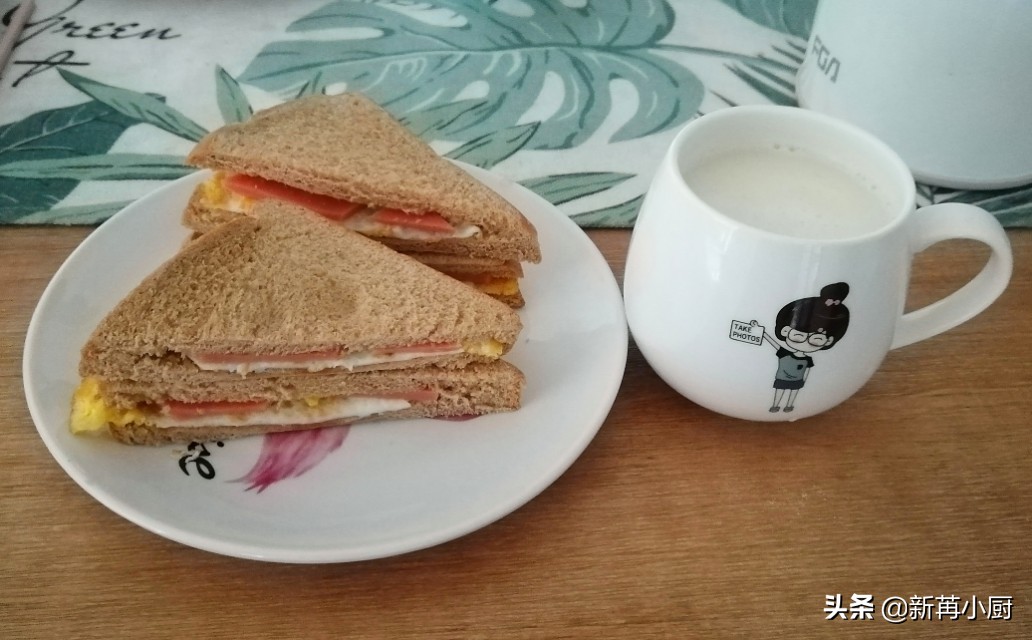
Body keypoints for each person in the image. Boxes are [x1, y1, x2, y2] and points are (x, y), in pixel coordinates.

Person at [761, 282, 851, 413]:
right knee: (780, 390)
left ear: (828, 341)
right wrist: (763, 334)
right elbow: (774, 344)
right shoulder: (785, 353)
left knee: (793, 392)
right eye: (797, 336)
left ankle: (789, 405)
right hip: (782, 379)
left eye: (816, 340)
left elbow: (808, 370)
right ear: (785, 331)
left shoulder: (807, 360)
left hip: (797, 381)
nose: (806, 342)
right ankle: (775, 405)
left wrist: (804, 381)